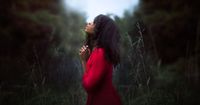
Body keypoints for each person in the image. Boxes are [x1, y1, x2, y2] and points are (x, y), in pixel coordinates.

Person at [79, 14, 122, 105]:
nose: (90, 23)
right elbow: (92, 80)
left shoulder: (100, 53)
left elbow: (89, 85)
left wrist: (83, 61)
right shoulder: (101, 52)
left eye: (94, 22)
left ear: (100, 29)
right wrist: (85, 60)